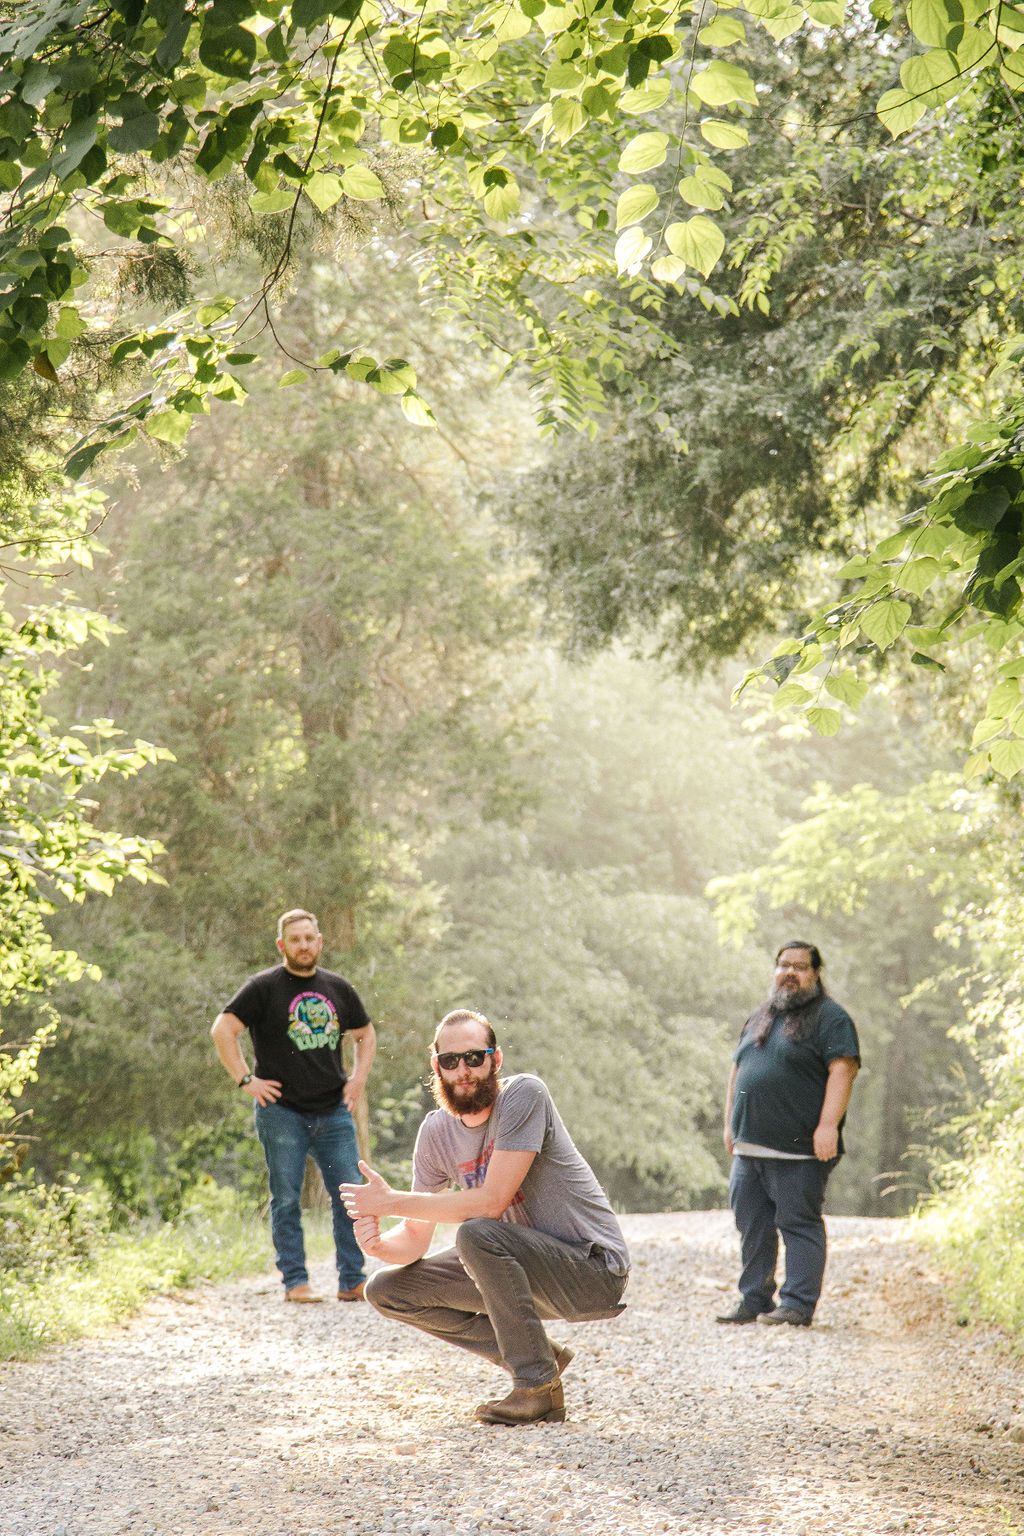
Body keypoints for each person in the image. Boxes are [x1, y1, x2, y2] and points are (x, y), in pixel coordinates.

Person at [340, 1009, 629, 1425]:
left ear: (496, 1059)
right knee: (387, 1290)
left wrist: (390, 1202)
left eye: (475, 1057)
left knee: (477, 1234)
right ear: (436, 1066)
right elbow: (415, 1240)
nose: (463, 1070)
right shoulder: (436, 1133)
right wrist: (379, 1244)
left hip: (591, 1271)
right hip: (518, 1269)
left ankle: (536, 1387)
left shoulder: (524, 1095)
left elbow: (491, 1202)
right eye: (450, 1060)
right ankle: (539, 1356)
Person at [211, 908, 376, 1304]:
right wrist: (245, 1080)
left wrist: (357, 1079)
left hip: (333, 1111)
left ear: (319, 942)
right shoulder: (263, 987)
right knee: (286, 1198)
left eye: (309, 938)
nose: (303, 945)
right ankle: (295, 1281)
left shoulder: (337, 988)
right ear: (281, 945)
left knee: (350, 1196)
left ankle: (352, 1280)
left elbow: (365, 1033)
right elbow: (223, 1029)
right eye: (295, 939)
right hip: (282, 1112)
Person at [717, 940, 860, 1329]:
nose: (790, 973)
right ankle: (754, 1298)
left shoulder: (831, 1018)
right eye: (784, 965)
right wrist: (730, 1123)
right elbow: (738, 1070)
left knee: (799, 1223)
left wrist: (828, 1125)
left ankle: (797, 1304)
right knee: (752, 1224)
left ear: (815, 974)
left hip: (800, 1149)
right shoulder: (761, 1016)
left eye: (800, 967)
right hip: (749, 1146)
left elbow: (843, 1070)